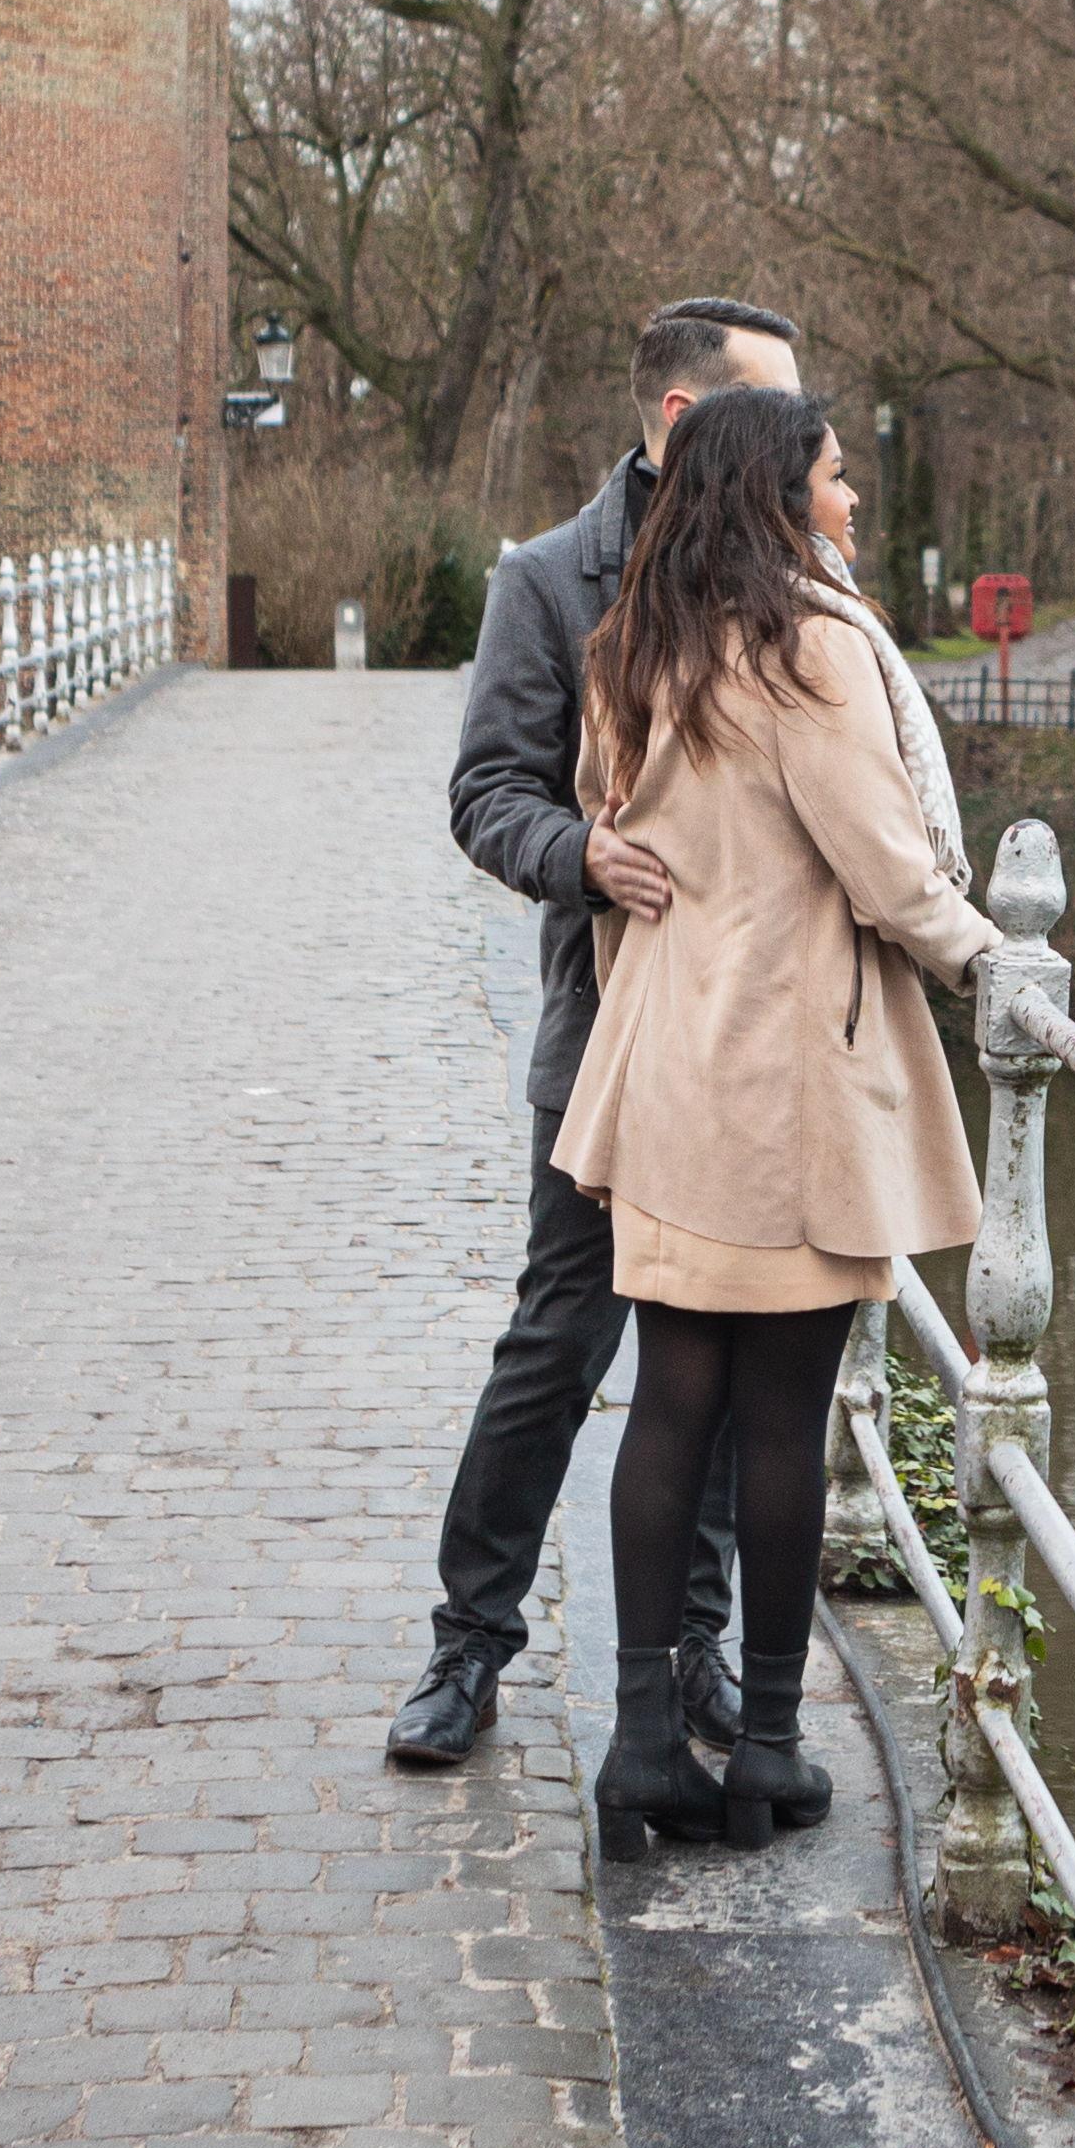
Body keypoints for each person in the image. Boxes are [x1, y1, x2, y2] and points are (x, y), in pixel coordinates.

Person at [550, 377, 994, 1851]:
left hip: (670, 1071)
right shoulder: (809, 650)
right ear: (776, 494)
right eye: (834, 475)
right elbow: (884, 865)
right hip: (786, 1086)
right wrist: (996, 963)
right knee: (784, 1422)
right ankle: (770, 1753)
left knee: (671, 1400)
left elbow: (615, 856)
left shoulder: (635, 648)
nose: (851, 498)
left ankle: (636, 1750)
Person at [388, 300, 804, 1771]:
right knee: (559, 1347)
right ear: (690, 423)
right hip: (610, 1038)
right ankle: (468, 1647)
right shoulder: (548, 583)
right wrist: (581, 857)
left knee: (724, 1369)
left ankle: (694, 1657)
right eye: (781, 413)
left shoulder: (788, 575)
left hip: (751, 1056)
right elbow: (483, 792)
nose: (809, 445)